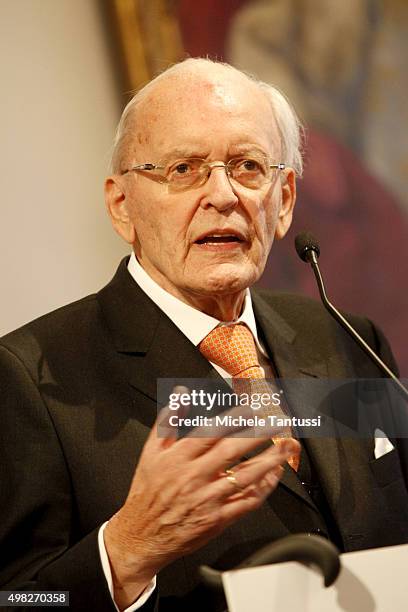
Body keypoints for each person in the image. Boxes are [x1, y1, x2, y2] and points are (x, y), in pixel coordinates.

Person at [0, 58, 407, 612]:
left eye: (246, 166)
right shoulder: (30, 378)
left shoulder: (346, 339)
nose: (222, 196)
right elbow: (19, 599)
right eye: (184, 169)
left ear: (283, 199)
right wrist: (125, 551)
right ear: (123, 207)